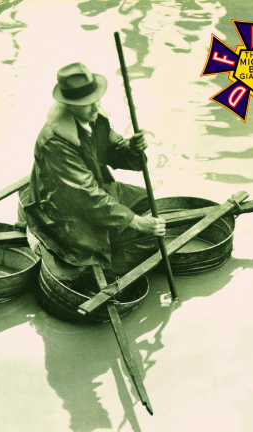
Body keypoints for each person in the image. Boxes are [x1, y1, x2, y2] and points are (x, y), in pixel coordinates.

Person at [19, 62, 165, 283]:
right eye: (87, 104)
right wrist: (135, 222)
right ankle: (93, 273)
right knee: (144, 239)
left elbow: (114, 151)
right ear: (69, 105)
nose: (95, 108)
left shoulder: (95, 118)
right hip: (62, 211)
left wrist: (132, 149)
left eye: (97, 100)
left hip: (95, 190)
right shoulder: (55, 141)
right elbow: (85, 197)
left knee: (150, 202)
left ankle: (116, 242)